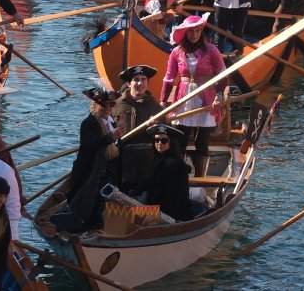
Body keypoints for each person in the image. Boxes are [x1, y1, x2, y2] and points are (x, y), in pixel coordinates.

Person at [161, 14, 226, 176]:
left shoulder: (212, 50)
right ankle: (179, 176)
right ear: (185, 33)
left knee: (202, 142)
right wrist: (163, 101)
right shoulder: (176, 52)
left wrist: (219, 96)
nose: (194, 35)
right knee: (180, 141)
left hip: (206, 99)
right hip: (184, 100)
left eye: (197, 31)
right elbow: (169, 79)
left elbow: (223, 76)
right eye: (191, 31)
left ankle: (200, 180)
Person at [52, 89, 124, 232]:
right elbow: (89, 145)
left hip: (107, 172)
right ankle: (78, 229)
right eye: (103, 105)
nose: (107, 108)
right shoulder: (89, 123)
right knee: (85, 202)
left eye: (110, 105)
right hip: (90, 170)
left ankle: (97, 227)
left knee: (102, 203)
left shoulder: (111, 123)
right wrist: (111, 137)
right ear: (95, 106)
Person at [113, 65, 163, 193]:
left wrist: (156, 128)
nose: (140, 83)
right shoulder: (116, 105)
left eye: (143, 79)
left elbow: (167, 136)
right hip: (121, 158)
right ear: (129, 83)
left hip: (146, 159)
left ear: (148, 83)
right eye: (136, 79)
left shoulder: (156, 108)